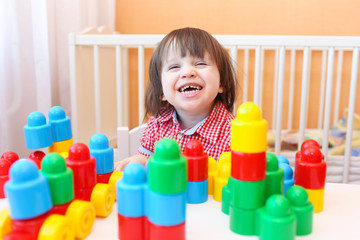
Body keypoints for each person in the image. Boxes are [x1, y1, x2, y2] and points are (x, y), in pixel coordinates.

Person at [114, 27, 237, 171]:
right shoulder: (157, 124)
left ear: (221, 82)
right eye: (174, 66)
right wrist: (140, 161)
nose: (187, 72)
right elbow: (146, 157)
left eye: (200, 63)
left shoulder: (233, 133)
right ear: (162, 91)